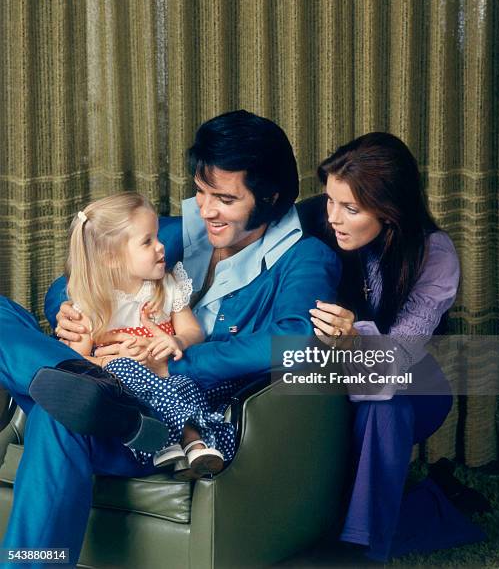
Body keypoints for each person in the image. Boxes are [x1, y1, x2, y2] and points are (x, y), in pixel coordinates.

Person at [0, 110, 341, 565]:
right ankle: (70, 376)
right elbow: (93, 262)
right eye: (200, 192)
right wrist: (68, 311)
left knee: (57, 414)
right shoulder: (187, 233)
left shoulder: (305, 257)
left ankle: (69, 385)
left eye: (223, 198)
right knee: (47, 375)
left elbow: (296, 340)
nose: (205, 209)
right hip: (102, 382)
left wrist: (178, 363)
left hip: (168, 417)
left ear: (269, 196)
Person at [309, 132, 486, 562]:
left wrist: (353, 337)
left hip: (414, 385)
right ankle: (431, 506)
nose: (334, 217)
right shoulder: (318, 220)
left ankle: (360, 552)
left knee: (384, 405)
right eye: (330, 200)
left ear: (391, 212)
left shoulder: (435, 253)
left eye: (351, 208)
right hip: (341, 385)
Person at [50, 191, 232, 476]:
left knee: (191, 383)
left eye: (157, 237)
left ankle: (180, 445)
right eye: (147, 242)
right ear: (112, 258)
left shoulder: (167, 285)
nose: (161, 247)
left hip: (170, 378)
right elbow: (77, 361)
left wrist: (176, 340)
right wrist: (114, 362)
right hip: (127, 392)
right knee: (125, 370)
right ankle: (190, 440)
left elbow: (193, 332)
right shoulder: (91, 303)